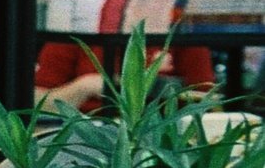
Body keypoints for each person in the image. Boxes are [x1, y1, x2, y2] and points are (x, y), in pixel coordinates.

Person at [32, 38, 215, 110]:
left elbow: (207, 102)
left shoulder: (184, 35)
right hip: (81, 138)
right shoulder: (75, 35)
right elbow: (38, 104)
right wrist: (84, 87)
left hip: (163, 139)